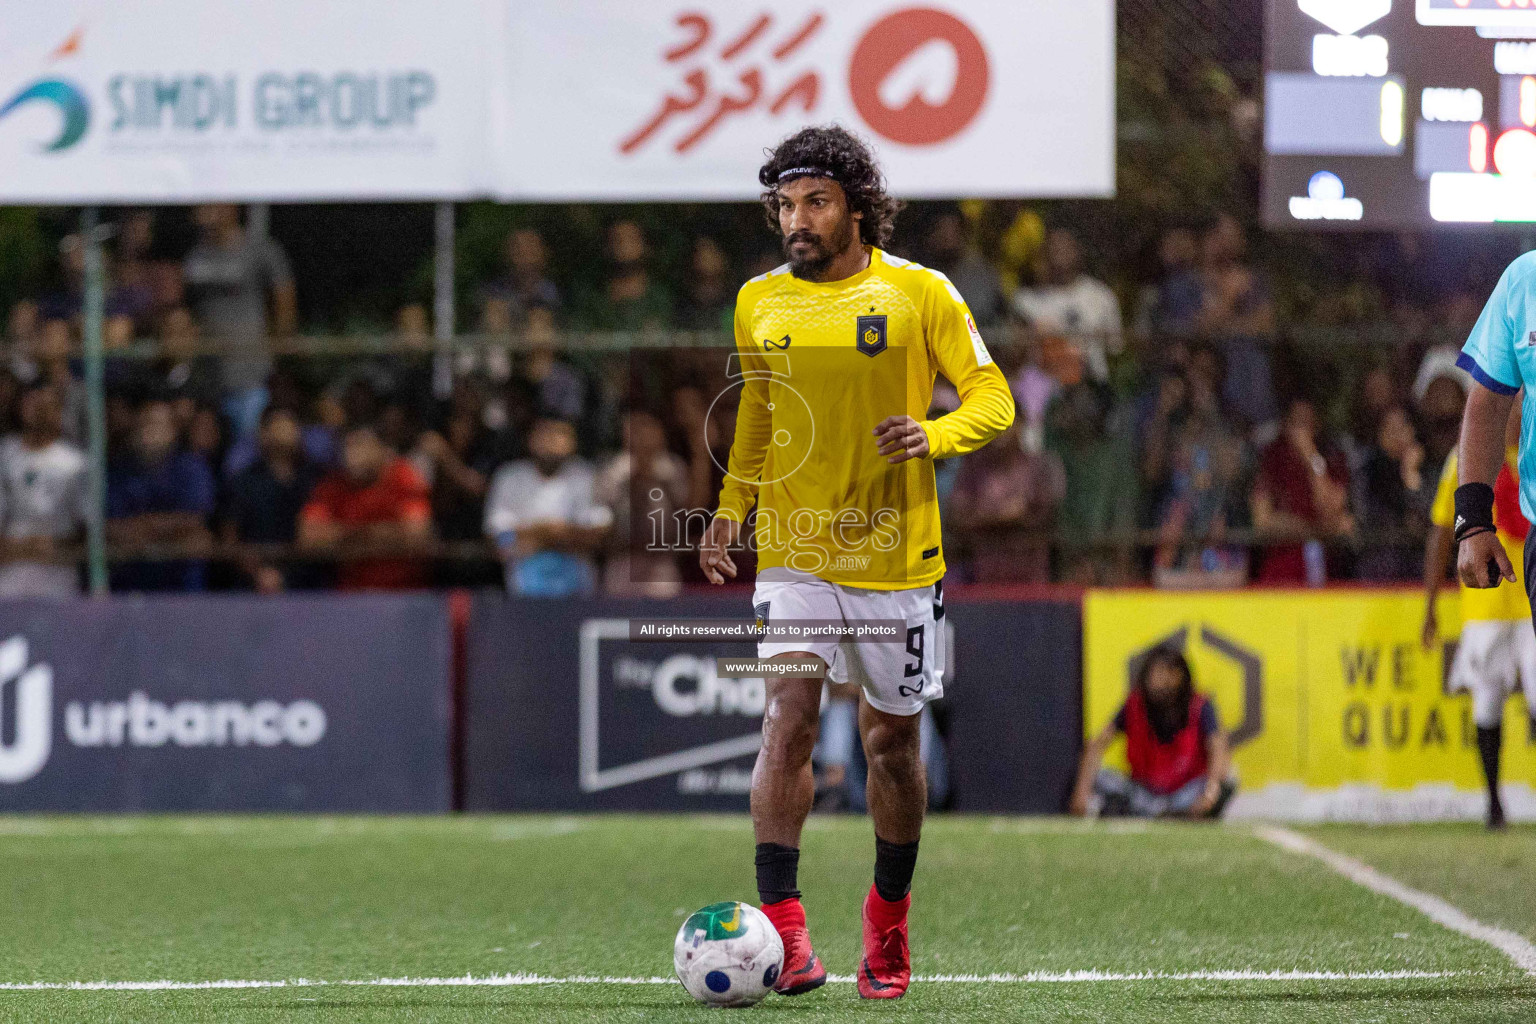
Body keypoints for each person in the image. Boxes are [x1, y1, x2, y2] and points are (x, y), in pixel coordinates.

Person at [697, 126, 1014, 1000]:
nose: (796, 220)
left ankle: (888, 919)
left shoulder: (919, 293)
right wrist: (731, 514)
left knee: (892, 744)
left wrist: (935, 434)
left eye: (815, 203)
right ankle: (787, 937)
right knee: (787, 723)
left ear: (857, 208)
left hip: (895, 559)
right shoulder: (760, 301)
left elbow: (995, 398)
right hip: (795, 554)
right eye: (785, 205)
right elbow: (759, 414)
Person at [1424, 399, 1530, 828]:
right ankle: (1493, 803)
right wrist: (1429, 605)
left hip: (1531, 597)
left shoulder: (1532, 451)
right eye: (1513, 401)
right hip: (1483, 599)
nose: (1517, 412)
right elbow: (1441, 531)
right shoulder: (1467, 457)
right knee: (1487, 703)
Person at [1069, 647, 1235, 819]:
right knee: (1103, 778)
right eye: (1155, 673)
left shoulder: (1200, 706)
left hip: (1186, 792)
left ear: (1180, 676)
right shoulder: (1134, 705)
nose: (1159, 681)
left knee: (1229, 778)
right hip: (1145, 793)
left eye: (1166, 674)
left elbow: (1218, 747)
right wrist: (1082, 792)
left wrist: (1211, 789)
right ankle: (1161, 812)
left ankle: (1176, 812)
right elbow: (1097, 745)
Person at [181, 204, 297, 437]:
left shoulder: (260, 248)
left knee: (247, 446)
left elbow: (284, 296)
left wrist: (279, 348)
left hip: (250, 375)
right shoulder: (195, 254)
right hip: (207, 375)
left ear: (231, 207)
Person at [483, 417, 611, 597]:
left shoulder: (586, 476)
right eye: (544, 433)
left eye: (560, 433)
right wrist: (552, 533)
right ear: (530, 439)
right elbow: (499, 537)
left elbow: (599, 535)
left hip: (579, 589)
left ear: (573, 442)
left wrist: (537, 537)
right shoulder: (510, 477)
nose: (551, 440)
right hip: (522, 588)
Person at [298, 424, 433, 590]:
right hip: (348, 594)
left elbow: (416, 536)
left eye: (360, 445)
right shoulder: (332, 485)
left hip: (403, 591)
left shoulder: (402, 477)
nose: (351, 454)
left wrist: (346, 537)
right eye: (347, 447)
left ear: (381, 450)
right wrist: (379, 535)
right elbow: (308, 539)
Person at [106, 399, 217, 592]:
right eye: (144, 423)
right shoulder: (119, 471)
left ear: (173, 431)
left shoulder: (191, 467)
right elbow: (111, 525)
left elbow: (193, 520)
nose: (149, 430)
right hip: (130, 584)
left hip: (181, 583)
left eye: (157, 424)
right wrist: (166, 532)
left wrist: (143, 531)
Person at [1251, 397, 1353, 585]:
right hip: (1281, 570)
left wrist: (1311, 459)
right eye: (1296, 422)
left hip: (1326, 569)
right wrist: (1317, 530)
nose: (1301, 430)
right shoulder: (1272, 459)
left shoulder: (1332, 459)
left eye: (1307, 423)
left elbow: (1332, 510)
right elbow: (1262, 520)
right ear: (1286, 426)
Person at [221, 405, 321, 593]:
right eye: (277, 425)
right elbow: (230, 535)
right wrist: (258, 573)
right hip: (252, 581)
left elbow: (318, 535)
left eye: (289, 426)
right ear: (263, 434)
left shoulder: (314, 478)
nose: (284, 431)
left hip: (308, 582)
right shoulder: (244, 481)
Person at [0, 386, 86, 597]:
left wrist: (57, 544)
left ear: (59, 413)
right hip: (10, 567)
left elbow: (84, 526)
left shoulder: (74, 462)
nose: (39, 412)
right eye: (33, 405)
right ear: (21, 409)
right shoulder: (5, 454)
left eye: (47, 407)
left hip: (56, 566)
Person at [1011, 227, 1123, 384]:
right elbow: (1015, 354)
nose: (1059, 252)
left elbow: (1115, 351)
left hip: (1093, 388)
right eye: (1053, 247)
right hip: (1042, 391)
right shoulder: (1026, 301)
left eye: (1065, 246)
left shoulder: (1101, 296)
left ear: (1078, 250)